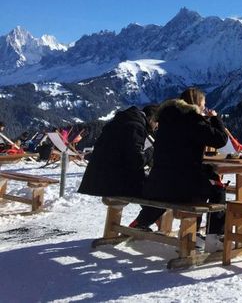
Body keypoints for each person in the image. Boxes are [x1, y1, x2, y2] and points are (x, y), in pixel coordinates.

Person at [131, 87, 228, 236]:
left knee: (199, 177)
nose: (204, 107)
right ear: (196, 104)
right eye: (203, 103)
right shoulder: (193, 119)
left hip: (158, 184)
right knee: (217, 188)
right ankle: (214, 236)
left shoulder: (167, 119)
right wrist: (215, 118)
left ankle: (142, 222)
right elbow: (220, 140)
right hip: (181, 188)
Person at [78, 105, 158, 197]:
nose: (156, 127)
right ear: (151, 119)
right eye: (157, 124)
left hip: (97, 180)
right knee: (158, 192)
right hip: (114, 183)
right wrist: (151, 150)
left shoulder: (121, 121)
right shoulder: (136, 127)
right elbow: (137, 161)